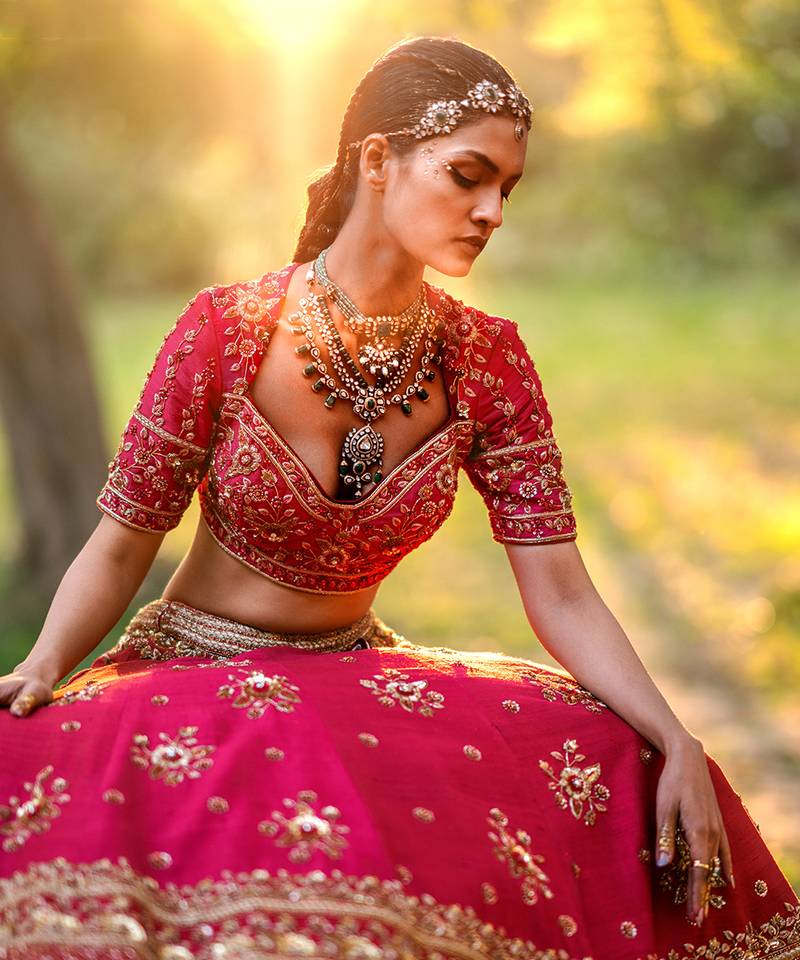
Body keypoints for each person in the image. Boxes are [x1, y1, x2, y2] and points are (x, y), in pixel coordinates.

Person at [1, 35, 797, 960]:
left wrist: (676, 733)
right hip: (197, 670)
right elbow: (120, 545)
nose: (492, 209)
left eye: (508, 186)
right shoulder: (227, 332)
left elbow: (562, 590)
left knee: (629, 756)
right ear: (376, 160)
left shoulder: (487, 361)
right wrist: (46, 665)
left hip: (351, 673)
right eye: (468, 175)